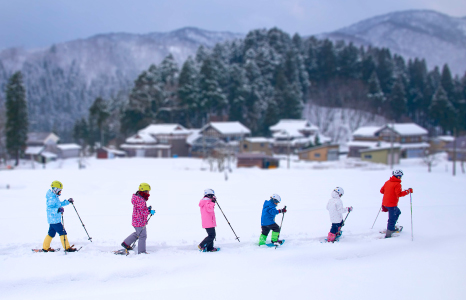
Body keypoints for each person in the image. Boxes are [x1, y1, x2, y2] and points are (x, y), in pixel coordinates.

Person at [43, 180, 77, 252]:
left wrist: (68, 201)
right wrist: (57, 210)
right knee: (62, 232)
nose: (60, 192)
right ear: (55, 190)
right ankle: (67, 247)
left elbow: (59, 204)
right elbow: (49, 209)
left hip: (53, 220)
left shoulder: (54, 197)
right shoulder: (52, 199)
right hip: (54, 220)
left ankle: (45, 247)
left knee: (51, 233)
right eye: (59, 191)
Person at [121, 183, 155, 254]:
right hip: (139, 221)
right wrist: (149, 211)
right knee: (143, 236)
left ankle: (126, 243)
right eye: (148, 191)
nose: (149, 193)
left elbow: (141, 209)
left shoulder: (138, 198)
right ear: (144, 191)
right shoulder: (141, 200)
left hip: (137, 220)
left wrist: (147, 209)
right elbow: (141, 212)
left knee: (138, 233)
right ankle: (142, 252)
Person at [380, 170, 413, 238]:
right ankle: (389, 233)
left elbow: (381, 191)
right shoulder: (397, 184)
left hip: (385, 203)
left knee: (397, 212)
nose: (401, 178)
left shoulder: (387, 182)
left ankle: (391, 227)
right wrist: (408, 191)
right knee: (392, 218)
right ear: (398, 176)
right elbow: (399, 194)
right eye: (400, 177)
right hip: (391, 204)